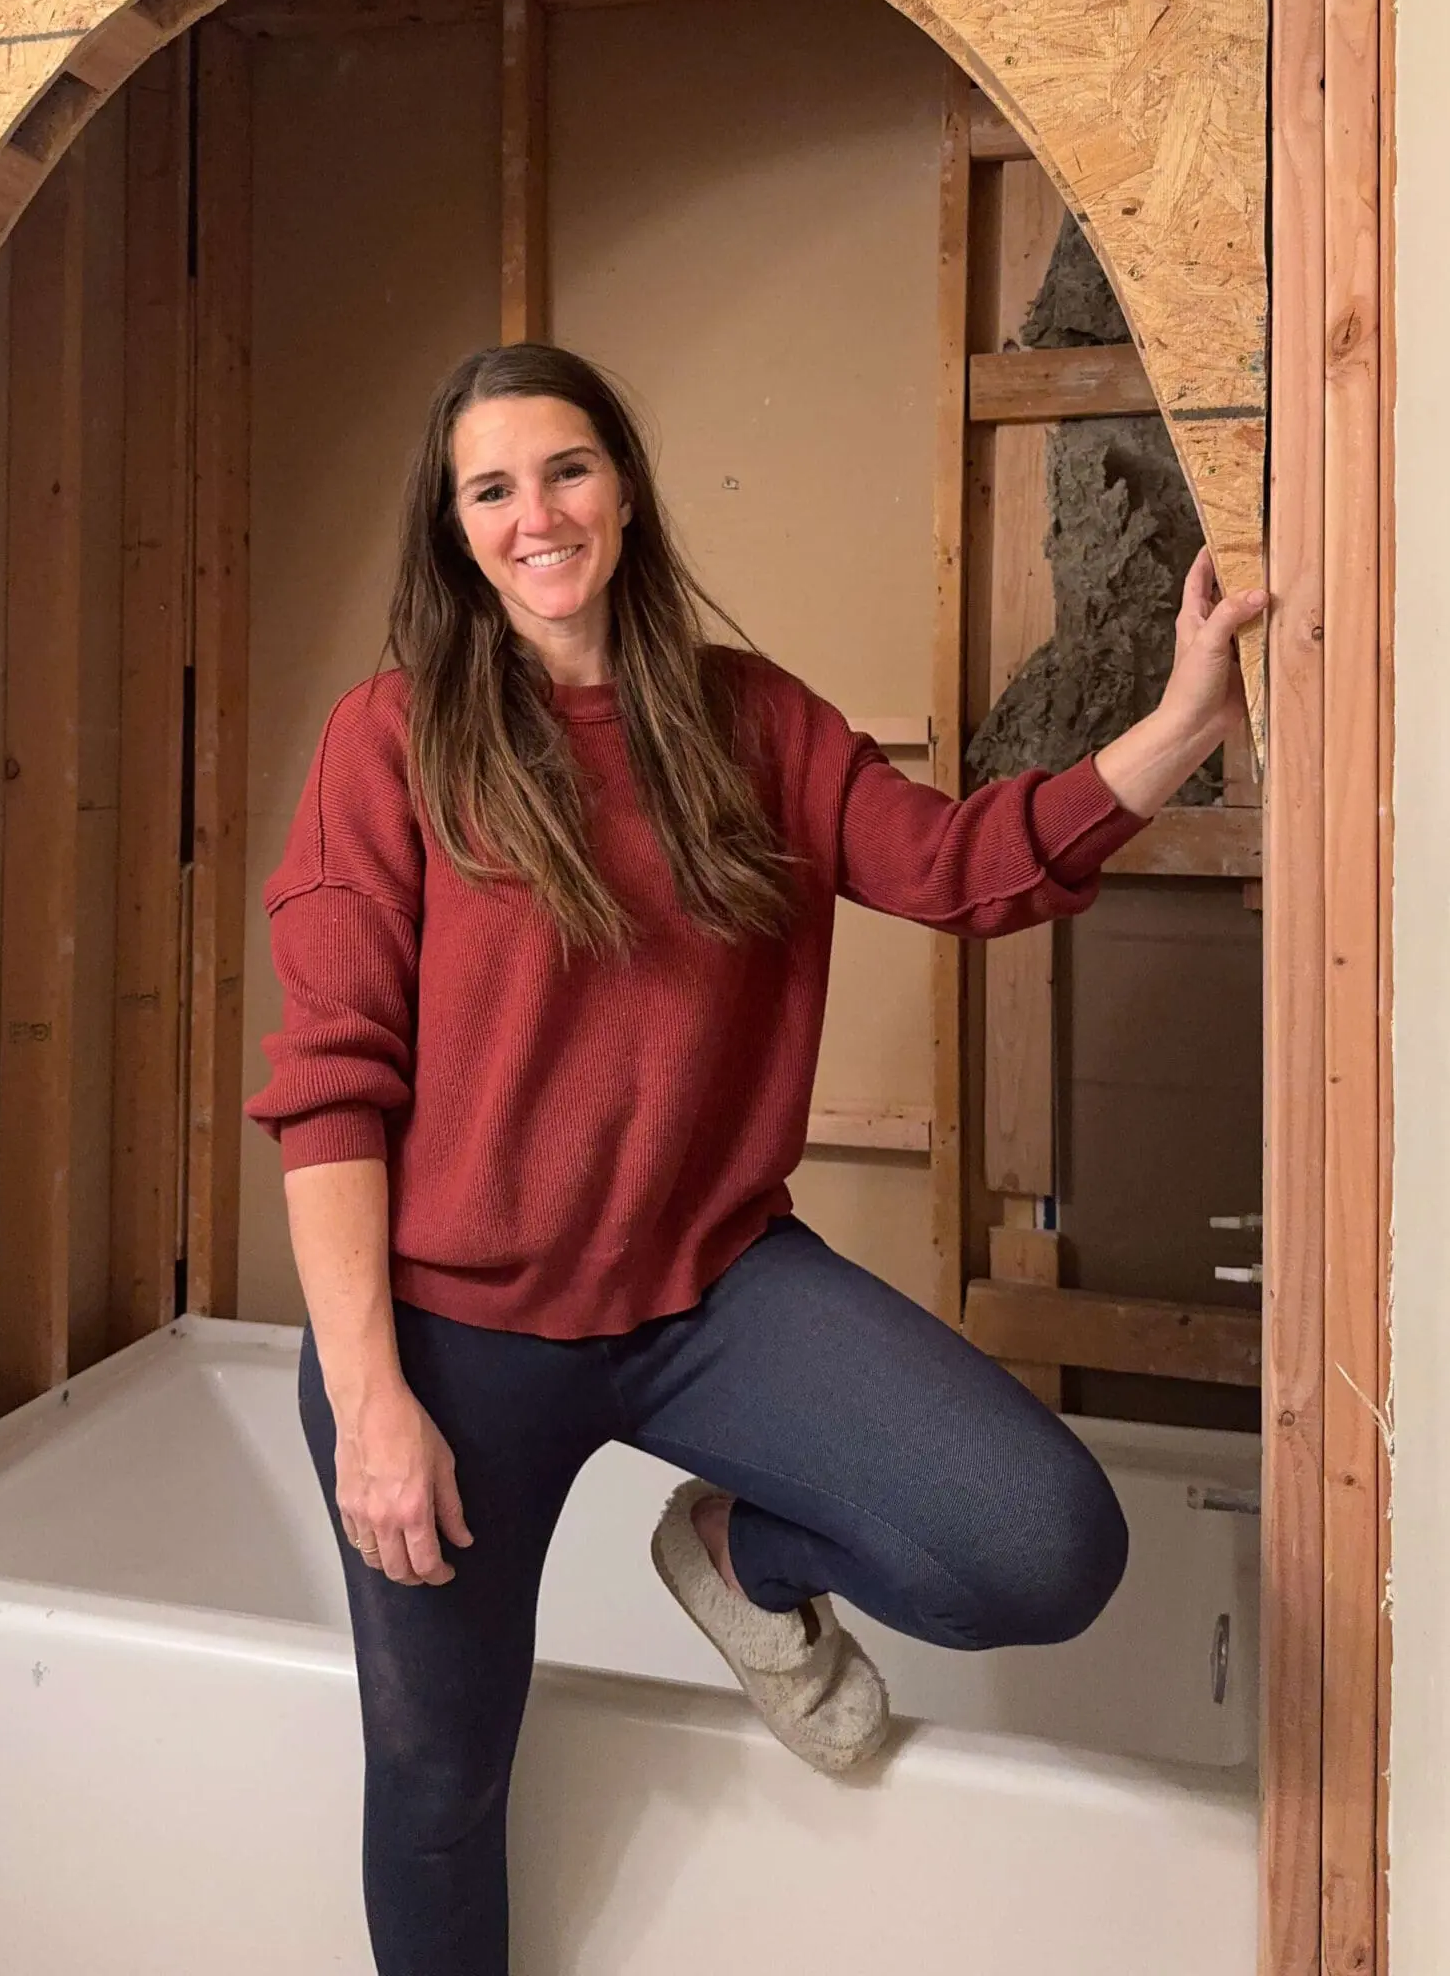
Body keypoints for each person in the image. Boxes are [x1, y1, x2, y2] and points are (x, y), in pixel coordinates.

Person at [247, 341, 1264, 1976]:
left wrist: (1177, 725)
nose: (536, 515)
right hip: (452, 1345)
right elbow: (328, 1092)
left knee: (1046, 1543)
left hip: (711, 1292)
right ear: (453, 535)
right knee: (438, 1782)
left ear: (626, 492)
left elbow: (952, 869)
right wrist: (373, 1406)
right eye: (489, 491)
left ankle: (737, 1550)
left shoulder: (747, 719)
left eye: (564, 470)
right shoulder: (388, 747)